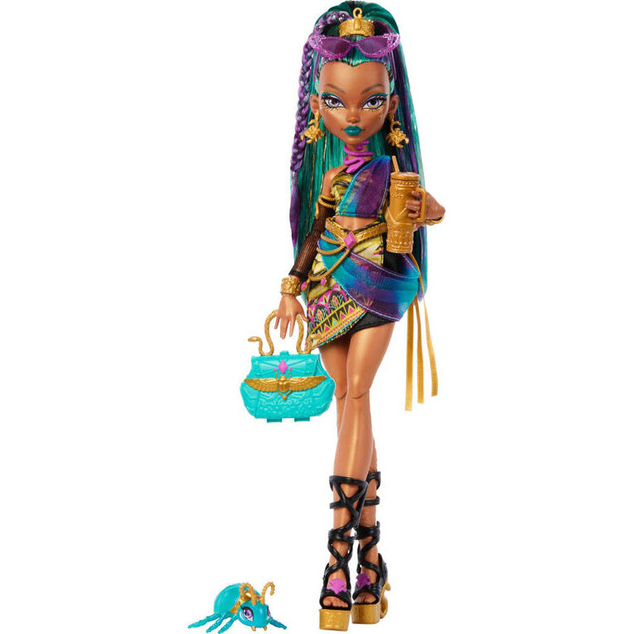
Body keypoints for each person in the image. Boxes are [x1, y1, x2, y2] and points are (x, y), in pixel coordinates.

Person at [273, 3, 445, 630]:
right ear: (316, 105)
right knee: (348, 402)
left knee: (357, 393)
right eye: (335, 102)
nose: (352, 117)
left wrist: (424, 210)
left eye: (370, 102)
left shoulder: (392, 170)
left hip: (377, 281)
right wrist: (291, 288)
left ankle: (335, 559)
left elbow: (433, 210)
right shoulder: (326, 177)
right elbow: (312, 231)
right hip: (326, 285)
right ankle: (370, 560)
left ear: (390, 104)